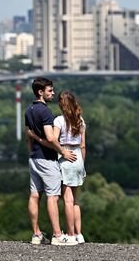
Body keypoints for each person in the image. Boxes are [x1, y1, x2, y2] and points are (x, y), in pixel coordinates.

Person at [24, 77, 77, 246]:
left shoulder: (29, 110)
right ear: (41, 92)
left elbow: (28, 136)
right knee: (52, 197)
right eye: (50, 91)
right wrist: (62, 151)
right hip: (47, 159)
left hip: (33, 158)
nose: (53, 93)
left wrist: (32, 150)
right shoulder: (45, 112)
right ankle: (58, 234)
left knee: (34, 195)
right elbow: (50, 137)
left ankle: (36, 234)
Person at [53, 90, 87, 244]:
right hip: (79, 157)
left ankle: (70, 235)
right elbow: (83, 145)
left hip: (66, 156)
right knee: (75, 200)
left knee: (67, 199)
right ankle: (79, 234)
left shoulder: (59, 120)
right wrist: (83, 165)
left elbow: (53, 139)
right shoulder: (80, 120)